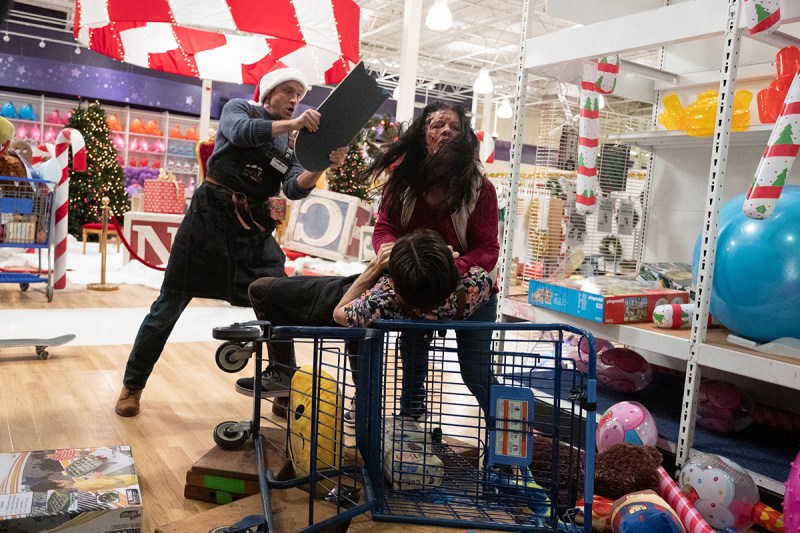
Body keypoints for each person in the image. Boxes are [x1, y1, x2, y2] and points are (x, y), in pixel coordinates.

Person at [115, 66, 347, 417]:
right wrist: (294, 124)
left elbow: (292, 187)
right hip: (208, 219)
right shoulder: (239, 109)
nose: (294, 100)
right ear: (268, 94)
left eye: (298, 95)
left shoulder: (290, 144)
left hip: (253, 229)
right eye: (287, 91)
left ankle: (282, 386)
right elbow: (241, 133)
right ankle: (133, 385)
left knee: (278, 299)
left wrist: (321, 166)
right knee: (168, 305)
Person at [238, 229, 492, 424]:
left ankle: (286, 373)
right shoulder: (474, 286)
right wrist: (446, 263)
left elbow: (340, 313)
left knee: (261, 289)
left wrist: (374, 268)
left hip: (359, 295)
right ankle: (384, 403)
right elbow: (486, 279)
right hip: (428, 300)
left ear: (393, 284)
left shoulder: (382, 299)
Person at [364, 100, 500, 421]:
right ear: (423, 135)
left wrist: (449, 267)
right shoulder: (402, 183)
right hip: (415, 286)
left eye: (454, 126)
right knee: (412, 357)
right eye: (437, 125)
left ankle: (509, 431)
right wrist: (400, 258)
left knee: (476, 371)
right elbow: (384, 229)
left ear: (464, 136)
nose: (446, 131)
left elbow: (487, 250)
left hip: (470, 292)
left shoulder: (481, 189)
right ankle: (410, 419)